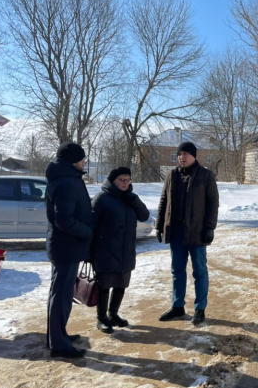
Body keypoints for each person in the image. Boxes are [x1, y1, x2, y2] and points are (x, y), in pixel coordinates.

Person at [156, 141, 219, 325]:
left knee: (199, 271)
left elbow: (213, 204)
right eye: (179, 154)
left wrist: (210, 228)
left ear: (194, 156)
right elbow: (163, 201)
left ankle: (200, 308)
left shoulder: (206, 176)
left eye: (186, 154)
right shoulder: (171, 175)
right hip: (176, 232)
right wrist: (159, 225)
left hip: (197, 232)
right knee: (177, 271)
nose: (182, 157)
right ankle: (177, 307)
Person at [45, 142, 92, 359]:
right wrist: (86, 232)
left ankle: (57, 336)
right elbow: (64, 219)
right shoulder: (66, 182)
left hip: (64, 246)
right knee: (61, 296)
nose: (84, 162)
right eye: (82, 159)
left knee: (59, 294)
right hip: (67, 247)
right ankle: (59, 344)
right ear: (74, 161)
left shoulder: (65, 178)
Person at [90, 167, 150, 333]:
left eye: (128, 180)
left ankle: (113, 314)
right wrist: (89, 251)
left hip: (125, 250)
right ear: (112, 181)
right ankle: (101, 317)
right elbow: (90, 225)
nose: (125, 183)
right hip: (105, 250)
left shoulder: (130, 198)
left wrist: (134, 200)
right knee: (104, 285)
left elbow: (144, 216)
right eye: (121, 180)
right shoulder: (102, 198)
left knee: (121, 284)